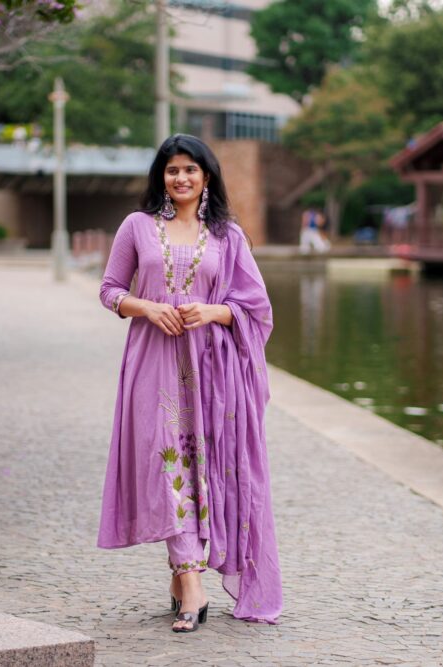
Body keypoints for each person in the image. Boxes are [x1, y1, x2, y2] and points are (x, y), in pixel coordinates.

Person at [98, 134, 283, 632]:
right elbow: (110, 291)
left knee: (206, 470)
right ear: (161, 176)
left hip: (212, 373)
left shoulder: (228, 237)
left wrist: (215, 311)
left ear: (206, 177)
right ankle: (193, 585)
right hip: (152, 364)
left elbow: (257, 308)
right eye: (172, 169)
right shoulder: (137, 227)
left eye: (191, 170)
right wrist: (148, 307)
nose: (181, 178)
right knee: (167, 466)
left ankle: (182, 578)